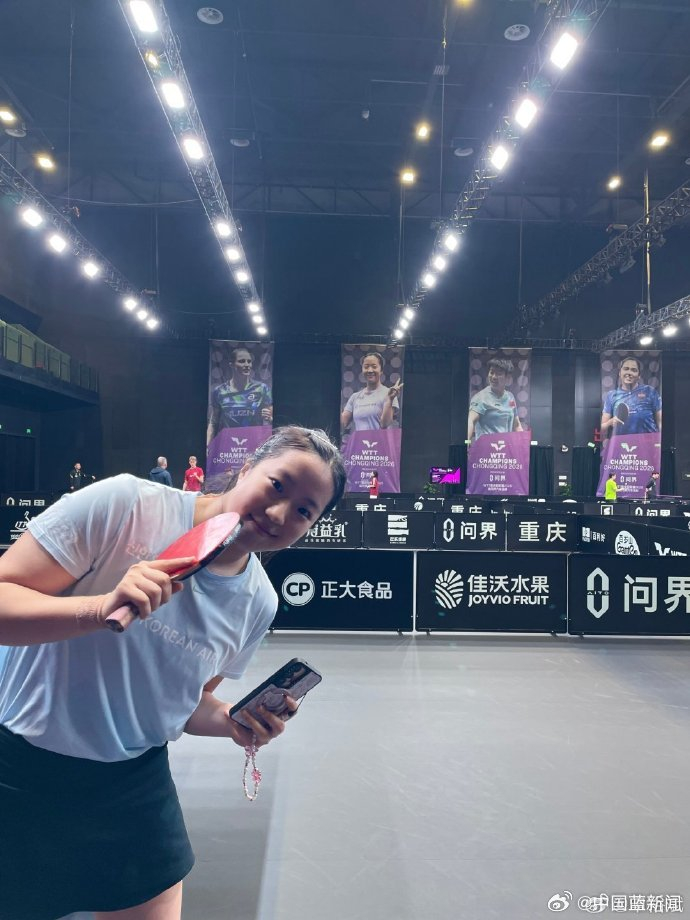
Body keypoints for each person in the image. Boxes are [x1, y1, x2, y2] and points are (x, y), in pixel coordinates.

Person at [0, 426, 346, 920]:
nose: (279, 514)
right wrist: (97, 608)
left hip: (133, 785)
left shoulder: (258, 602)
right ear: (247, 468)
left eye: (304, 511)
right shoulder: (126, 505)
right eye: (277, 485)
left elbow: (184, 703)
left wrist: (232, 720)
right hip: (19, 768)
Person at [207, 347, 273, 441]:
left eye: (249, 361)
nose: (247, 365)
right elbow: (214, 422)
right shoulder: (220, 391)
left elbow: (271, 420)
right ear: (232, 365)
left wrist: (270, 418)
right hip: (228, 444)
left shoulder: (262, 389)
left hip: (254, 443)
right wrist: (208, 446)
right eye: (242, 361)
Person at [340, 351, 403, 432]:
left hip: (380, 440)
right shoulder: (354, 397)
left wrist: (389, 400)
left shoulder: (389, 393)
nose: (370, 370)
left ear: (381, 370)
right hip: (359, 440)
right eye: (366, 367)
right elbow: (343, 424)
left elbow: (385, 424)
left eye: (374, 366)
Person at [600, 355, 662, 437]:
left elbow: (660, 423)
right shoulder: (611, 395)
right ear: (620, 373)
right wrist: (610, 422)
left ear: (639, 375)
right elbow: (602, 428)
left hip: (649, 442)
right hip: (622, 443)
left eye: (633, 370)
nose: (629, 373)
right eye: (626, 369)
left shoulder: (650, 391)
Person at [467, 358, 524, 441]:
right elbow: (470, 421)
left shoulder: (510, 397)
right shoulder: (480, 398)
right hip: (485, 447)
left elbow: (517, 425)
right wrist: (467, 442)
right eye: (491, 372)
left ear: (507, 377)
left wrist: (523, 444)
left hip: (505, 447)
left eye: (499, 374)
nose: (494, 377)